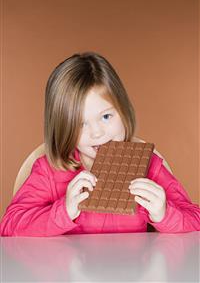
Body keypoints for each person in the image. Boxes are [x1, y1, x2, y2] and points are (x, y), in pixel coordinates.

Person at [1, 52, 199, 236]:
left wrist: (164, 214)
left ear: (123, 111)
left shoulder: (150, 166)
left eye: (106, 116)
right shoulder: (49, 171)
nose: (97, 133)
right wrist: (64, 210)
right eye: (80, 124)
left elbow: (195, 220)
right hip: (69, 273)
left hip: (131, 271)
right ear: (62, 128)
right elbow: (8, 225)